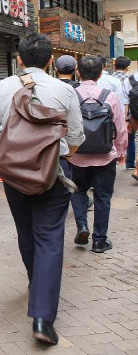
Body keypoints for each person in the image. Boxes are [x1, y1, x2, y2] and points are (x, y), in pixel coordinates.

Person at [0, 33, 84, 345]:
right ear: (51, 60)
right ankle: (42, 318)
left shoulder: (0, 88)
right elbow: (77, 139)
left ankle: (34, 280)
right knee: (50, 238)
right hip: (53, 174)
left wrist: (12, 162)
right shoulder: (65, 90)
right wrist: (56, 156)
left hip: (14, 176)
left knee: (25, 231)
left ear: (19, 60)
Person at [69, 56, 127, 253]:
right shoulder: (109, 96)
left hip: (77, 156)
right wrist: (120, 152)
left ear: (78, 72)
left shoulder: (71, 95)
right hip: (105, 157)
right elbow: (120, 127)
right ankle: (100, 241)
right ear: (101, 74)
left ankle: (82, 226)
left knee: (77, 191)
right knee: (103, 198)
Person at [113, 56, 136, 172]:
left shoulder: (108, 78)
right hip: (130, 114)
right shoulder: (131, 79)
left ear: (114, 65)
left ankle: (113, 161)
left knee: (111, 137)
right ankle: (130, 163)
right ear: (127, 67)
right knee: (130, 138)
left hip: (111, 114)